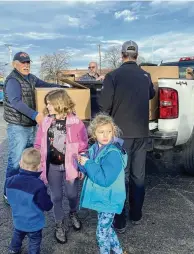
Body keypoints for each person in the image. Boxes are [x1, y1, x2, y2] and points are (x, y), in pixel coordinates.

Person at [98, 40, 155, 233]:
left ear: (122, 55)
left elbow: (104, 106)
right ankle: (136, 214)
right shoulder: (145, 76)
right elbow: (150, 94)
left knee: (120, 176)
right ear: (136, 56)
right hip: (141, 133)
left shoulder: (113, 76)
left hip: (121, 136)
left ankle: (120, 220)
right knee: (139, 175)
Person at [3, 51, 59, 204]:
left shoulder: (31, 78)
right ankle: (8, 193)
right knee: (15, 161)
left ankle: (24, 189)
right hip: (18, 127)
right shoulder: (13, 80)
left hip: (30, 126)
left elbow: (46, 86)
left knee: (29, 160)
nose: (26, 65)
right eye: (23, 62)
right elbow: (16, 101)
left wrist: (62, 86)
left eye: (28, 62)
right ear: (15, 64)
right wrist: (35, 115)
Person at [34, 89, 88, 244]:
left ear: (60, 103)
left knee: (72, 194)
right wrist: (37, 161)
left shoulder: (77, 123)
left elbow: (84, 147)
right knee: (55, 197)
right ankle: (59, 224)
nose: (48, 106)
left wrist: (82, 167)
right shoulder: (45, 122)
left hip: (71, 166)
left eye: (50, 103)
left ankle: (72, 213)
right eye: (47, 104)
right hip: (52, 167)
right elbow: (38, 144)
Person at [78, 113, 127, 254]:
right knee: (107, 229)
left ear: (114, 131)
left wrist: (87, 164)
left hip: (110, 198)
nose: (106, 135)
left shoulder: (113, 153)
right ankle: (118, 251)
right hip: (103, 198)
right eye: (101, 132)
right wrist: (82, 165)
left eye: (109, 131)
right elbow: (90, 163)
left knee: (101, 233)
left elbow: (104, 180)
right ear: (94, 133)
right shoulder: (95, 148)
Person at [6, 148, 53, 254]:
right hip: (34, 222)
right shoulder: (38, 185)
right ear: (38, 167)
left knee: (17, 235)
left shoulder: (9, 181)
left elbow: (8, 196)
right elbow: (46, 205)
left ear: (20, 163)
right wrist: (50, 202)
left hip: (18, 220)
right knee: (34, 241)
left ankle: (13, 250)